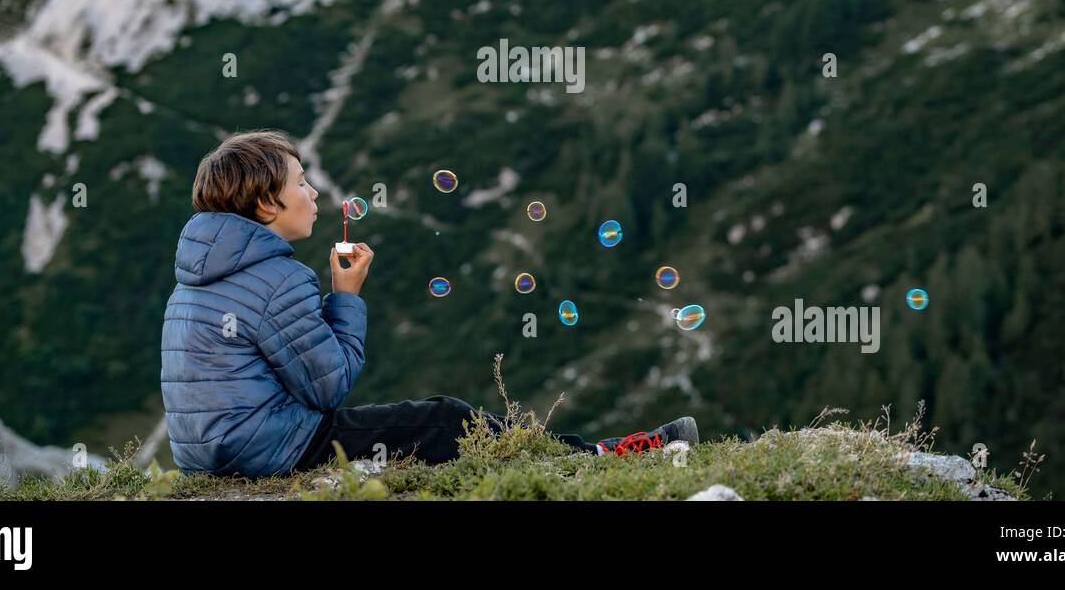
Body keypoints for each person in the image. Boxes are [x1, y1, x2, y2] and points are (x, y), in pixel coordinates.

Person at [161, 129, 698, 478]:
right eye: (301, 182)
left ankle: (587, 454)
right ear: (265, 202)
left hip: (205, 457)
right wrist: (345, 298)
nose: (315, 194)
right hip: (270, 451)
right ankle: (602, 458)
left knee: (431, 426)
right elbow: (329, 386)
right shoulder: (276, 276)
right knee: (445, 421)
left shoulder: (200, 274)